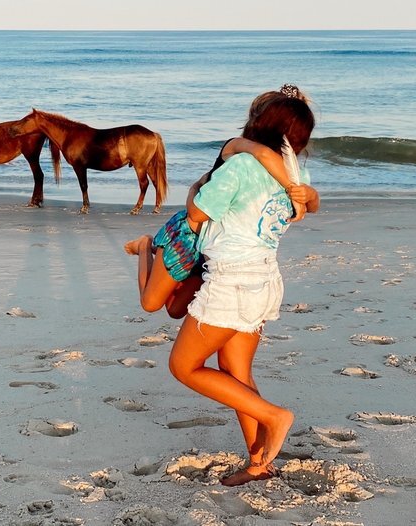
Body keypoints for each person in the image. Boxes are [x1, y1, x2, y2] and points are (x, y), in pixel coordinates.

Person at [168, 94, 318, 486]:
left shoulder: (240, 166)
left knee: (183, 366)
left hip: (231, 282)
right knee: (236, 374)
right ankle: (258, 463)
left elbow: (197, 214)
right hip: (264, 280)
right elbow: (306, 206)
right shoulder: (294, 175)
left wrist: (196, 185)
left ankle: (275, 417)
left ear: (259, 123)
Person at [124, 86, 313, 320]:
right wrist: (293, 191)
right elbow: (265, 154)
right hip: (187, 234)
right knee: (150, 303)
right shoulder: (236, 146)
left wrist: (306, 195)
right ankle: (145, 245)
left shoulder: (278, 169)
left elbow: (282, 173)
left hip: (211, 246)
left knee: (175, 310)